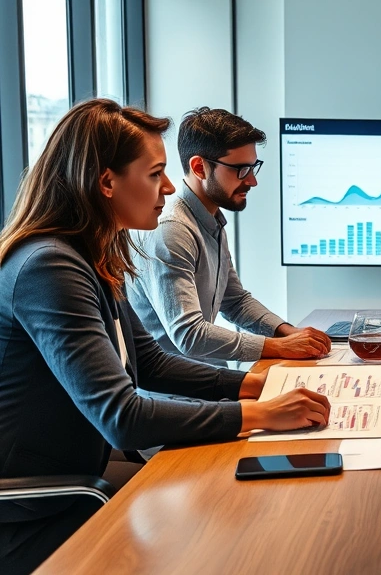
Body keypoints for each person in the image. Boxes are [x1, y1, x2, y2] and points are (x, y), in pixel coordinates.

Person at [0, 99, 331, 575]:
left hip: (81, 469)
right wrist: (259, 413)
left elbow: (150, 362)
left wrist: (256, 385)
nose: (170, 186)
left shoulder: (88, 255)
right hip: (38, 504)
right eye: (155, 174)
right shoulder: (49, 267)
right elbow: (122, 417)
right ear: (106, 182)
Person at [126, 107, 330, 366]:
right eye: (241, 169)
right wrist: (278, 346)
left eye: (253, 167)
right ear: (200, 167)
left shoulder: (210, 220)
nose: (252, 181)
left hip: (208, 378)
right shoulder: (172, 229)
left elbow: (234, 301)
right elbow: (189, 335)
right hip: (177, 396)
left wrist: (289, 332)